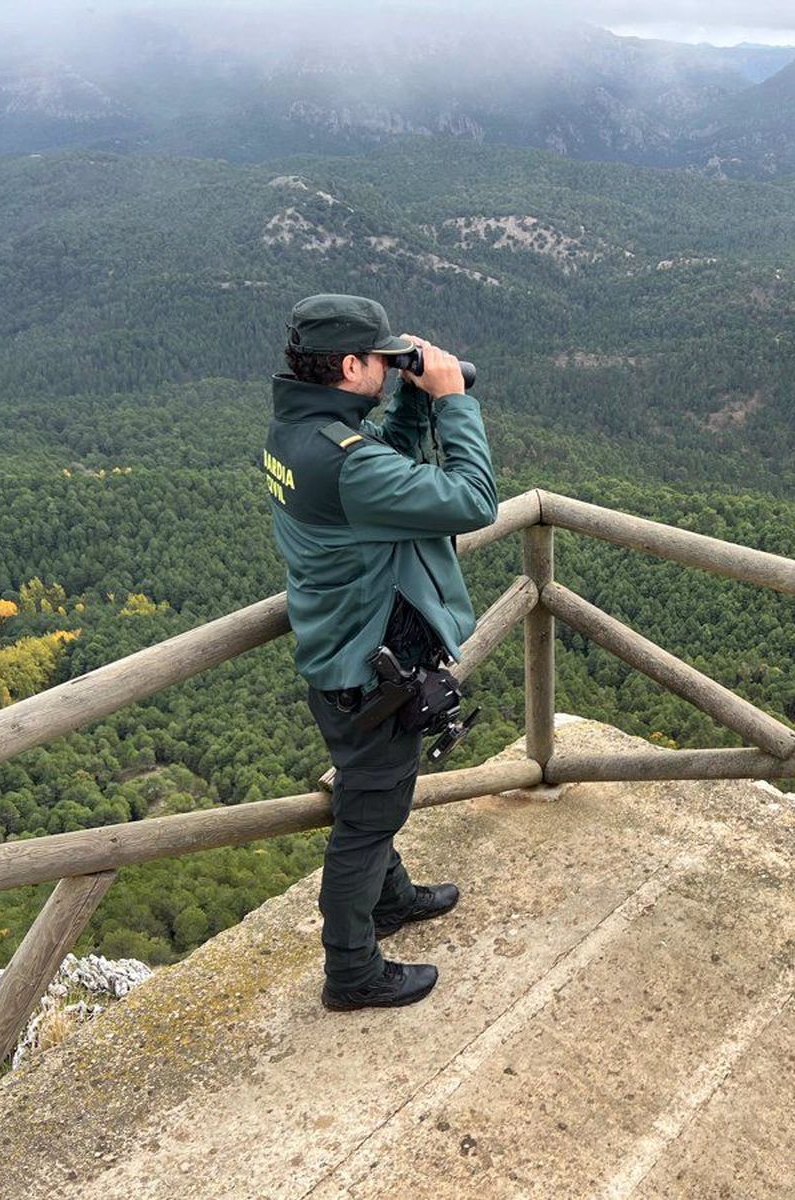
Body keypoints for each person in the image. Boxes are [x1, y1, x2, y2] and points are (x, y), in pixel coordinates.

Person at [263, 293, 497, 1011]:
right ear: (348, 365)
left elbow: (379, 464)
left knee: (376, 803)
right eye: (380, 359)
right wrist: (452, 399)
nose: (389, 367)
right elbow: (473, 499)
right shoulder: (343, 463)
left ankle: (389, 901)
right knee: (365, 826)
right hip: (373, 675)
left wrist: (408, 402)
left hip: (341, 661)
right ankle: (353, 971)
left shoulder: (297, 433)